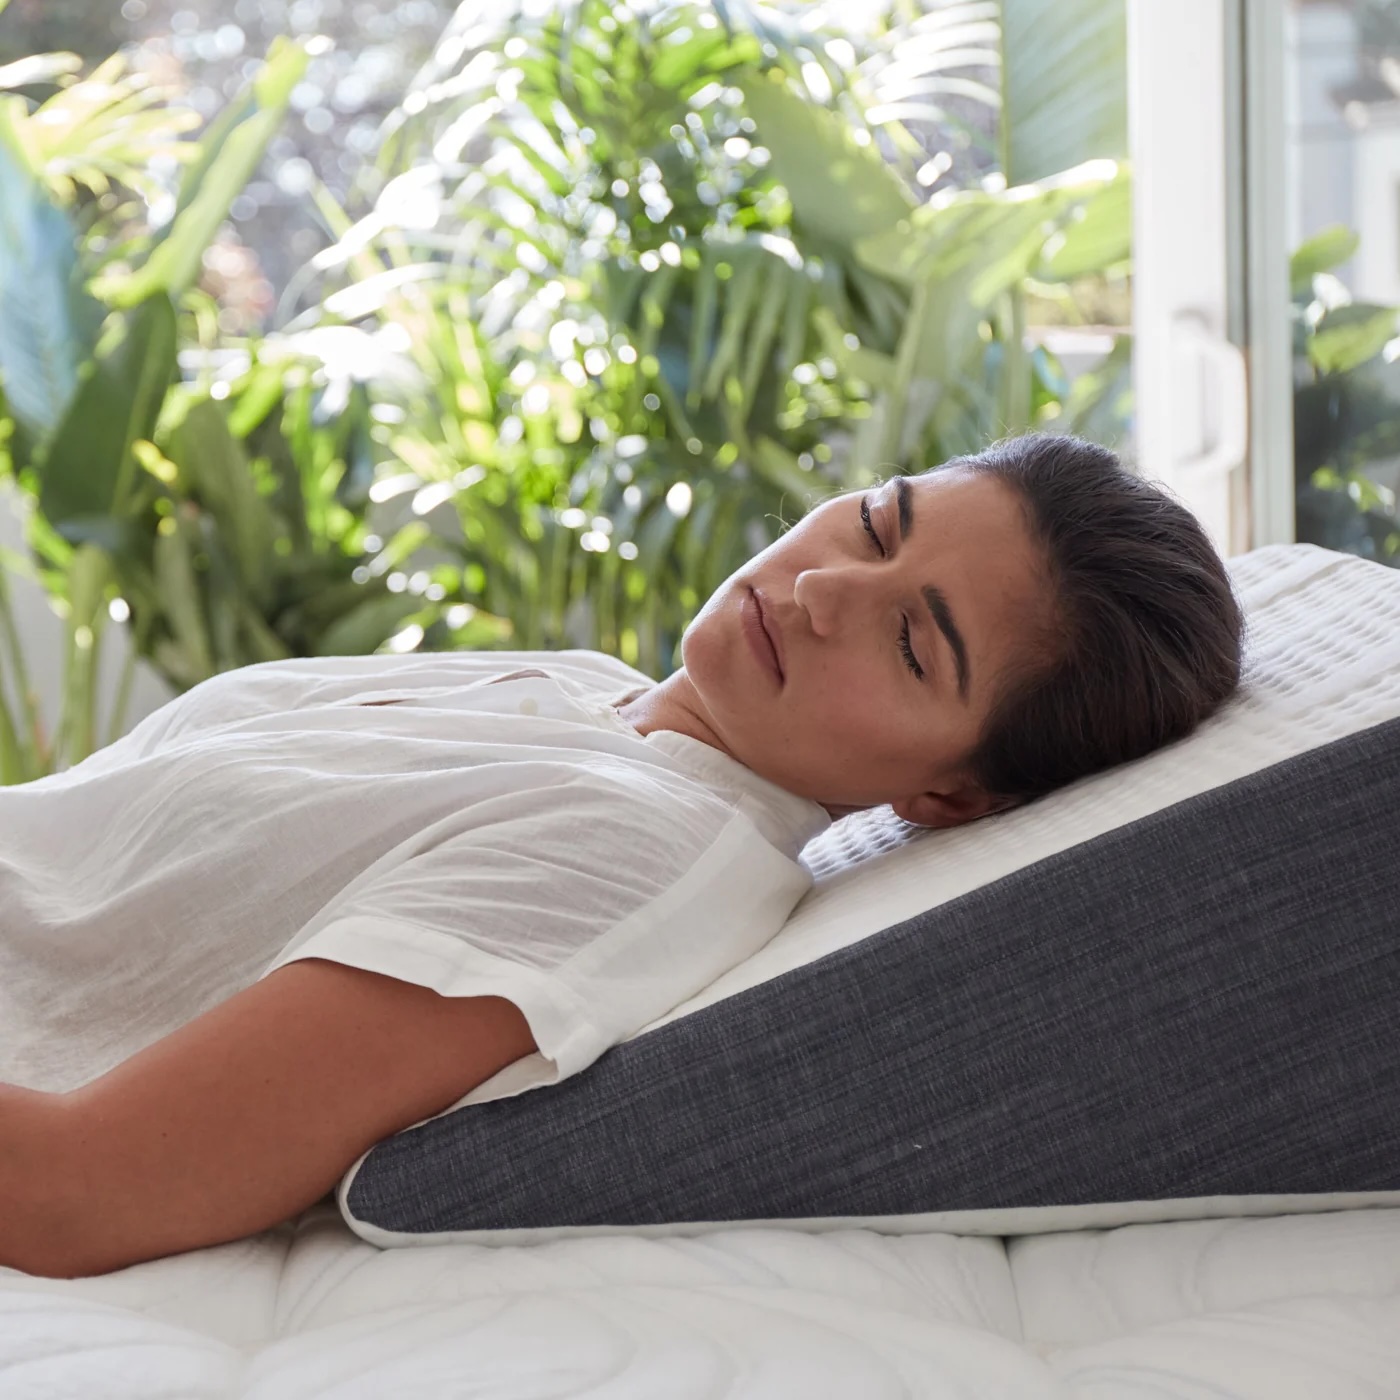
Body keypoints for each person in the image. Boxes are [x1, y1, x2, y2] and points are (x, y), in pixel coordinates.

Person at [0, 431, 1244, 1279]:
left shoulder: (641, 851)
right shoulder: (588, 692)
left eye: (914, 646)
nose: (822, 588)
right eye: (874, 525)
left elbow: (81, 1185)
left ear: (948, 792)